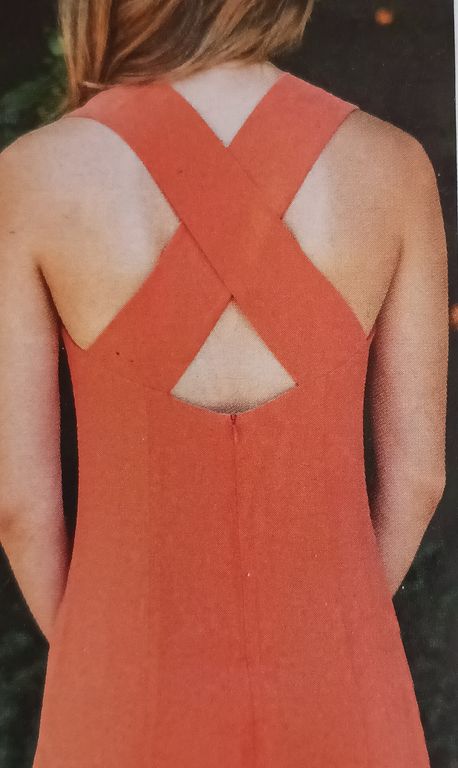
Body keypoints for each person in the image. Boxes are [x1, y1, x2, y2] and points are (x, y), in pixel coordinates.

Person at [0, 1, 448, 766]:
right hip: (339, 691)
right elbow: (418, 478)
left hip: (123, 696)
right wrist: (336, 641)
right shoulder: (393, 164)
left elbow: (19, 506)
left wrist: (100, 659)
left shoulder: (35, 176)